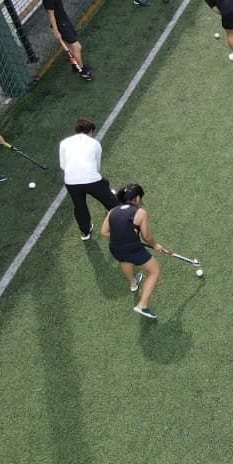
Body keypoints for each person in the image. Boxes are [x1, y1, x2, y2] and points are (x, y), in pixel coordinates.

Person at [101, 183, 175, 320]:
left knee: (124, 260)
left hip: (115, 248)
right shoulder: (140, 213)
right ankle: (142, 305)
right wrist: (156, 246)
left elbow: (104, 232)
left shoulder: (112, 211)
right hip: (132, 249)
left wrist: (122, 236)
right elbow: (146, 237)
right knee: (154, 271)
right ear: (136, 198)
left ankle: (133, 283)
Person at [59, 118, 118, 240]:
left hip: (71, 182)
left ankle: (85, 233)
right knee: (112, 202)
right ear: (91, 131)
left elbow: (63, 166)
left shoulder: (64, 143)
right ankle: (119, 219)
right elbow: (97, 167)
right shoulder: (95, 144)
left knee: (79, 206)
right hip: (91, 180)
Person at [42, 0, 91, 80]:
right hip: (60, 24)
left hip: (64, 20)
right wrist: (56, 30)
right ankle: (82, 70)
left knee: (70, 47)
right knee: (77, 46)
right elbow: (51, 15)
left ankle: (75, 65)